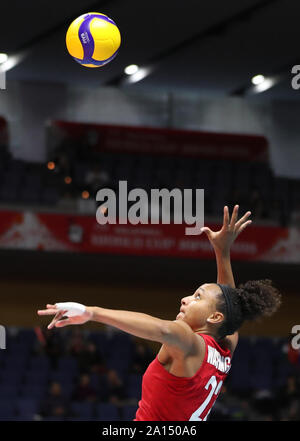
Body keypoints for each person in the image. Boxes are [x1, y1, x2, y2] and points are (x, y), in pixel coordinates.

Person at [37, 205, 282, 421]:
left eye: (197, 296)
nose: (185, 299)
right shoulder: (226, 346)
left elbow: (163, 329)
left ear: (214, 317)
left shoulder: (190, 341)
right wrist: (222, 251)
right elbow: (229, 302)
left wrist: (92, 312)